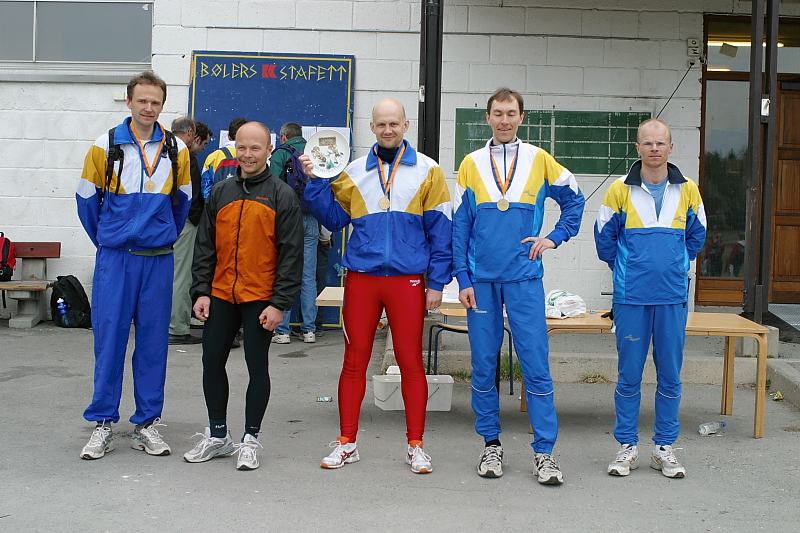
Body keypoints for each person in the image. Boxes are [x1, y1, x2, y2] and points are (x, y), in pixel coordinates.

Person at [305, 98, 452, 474]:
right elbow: (334, 219)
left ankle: (416, 445)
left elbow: (441, 231)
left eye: (394, 123)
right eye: (381, 124)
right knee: (354, 361)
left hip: (408, 280)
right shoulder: (354, 171)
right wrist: (316, 181)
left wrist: (437, 282)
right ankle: (347, 442)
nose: (388, 129)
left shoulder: (428, 170)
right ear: (372, 127)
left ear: (406, 125)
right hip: (363, 279)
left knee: (410, 361)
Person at [452, 87, 585, 485]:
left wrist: (554, 237)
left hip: (524, 278)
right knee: (483, 365)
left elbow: (575, 200)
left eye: (511, 113)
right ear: (488, 118)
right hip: (482, 282)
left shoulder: (539, 159)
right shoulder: (471, 164)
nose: (505, 120)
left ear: (522, 117)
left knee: (536, 365)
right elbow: (460, 227)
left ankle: (544, 452)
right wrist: (463, 278)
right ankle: (490, 444)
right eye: (498, 113)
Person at [76, 70, 192, 460]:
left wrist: (159, 235)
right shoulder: (104, 145)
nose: (148, 108)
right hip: (116, 260)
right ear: (129, 101)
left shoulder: (177, 149)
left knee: (154, 344)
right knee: (108, 341)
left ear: (162, 105)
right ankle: (103, 422)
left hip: (157, 261)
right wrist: (111, 239)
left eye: (155, 102)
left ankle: (146, 424)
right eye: (141, 100)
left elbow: (183, 203)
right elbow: (86, 201)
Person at [184, 122, 304, 471]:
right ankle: (218, 436)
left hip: (260, 298)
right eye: (242, 147)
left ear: (269, 150)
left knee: (256, 366)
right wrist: (201, 291)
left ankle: (250, 439)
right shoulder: (221, 192)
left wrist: (279, 303)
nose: (248, 155)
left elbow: (291, 254)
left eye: (255, 148)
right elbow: (205, 247)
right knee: (211, 362)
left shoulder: (282, 195)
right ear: (234, 148)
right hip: (221, 294)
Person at [594, 118, 706, 479]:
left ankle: (664, 448)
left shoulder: (688, 189)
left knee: (670, 375)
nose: (654, 148)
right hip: (631, 298)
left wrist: (673, 264)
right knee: (629, 375)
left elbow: (697, 236)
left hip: (672, 296)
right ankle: (627, 446)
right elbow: (604, 240)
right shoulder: (618, 190)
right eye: (648, 143)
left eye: (660, 143)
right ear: (637, 148)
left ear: (671, 147)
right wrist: (631, 268)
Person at [270, 122, 318, 344]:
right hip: (311, 218)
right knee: (308, 275)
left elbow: (272, 188)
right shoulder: (313, 152)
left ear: (283, 137)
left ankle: (283, 331)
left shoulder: (280, 154)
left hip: (287, 220)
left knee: (286, 272)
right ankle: (309, 330)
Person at [168, 116, 206, 344]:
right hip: (185, 221)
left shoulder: (162, 151)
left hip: (166, 222)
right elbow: (190, 194)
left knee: (170, 274)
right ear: (190, 132)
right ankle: (177, 327)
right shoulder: (185, 155)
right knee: (181, 277)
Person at [200, 117, 247, 199]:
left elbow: (205, 189)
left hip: (220, 203)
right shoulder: (253, 156)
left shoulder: (213, 156)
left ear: (228, 136)